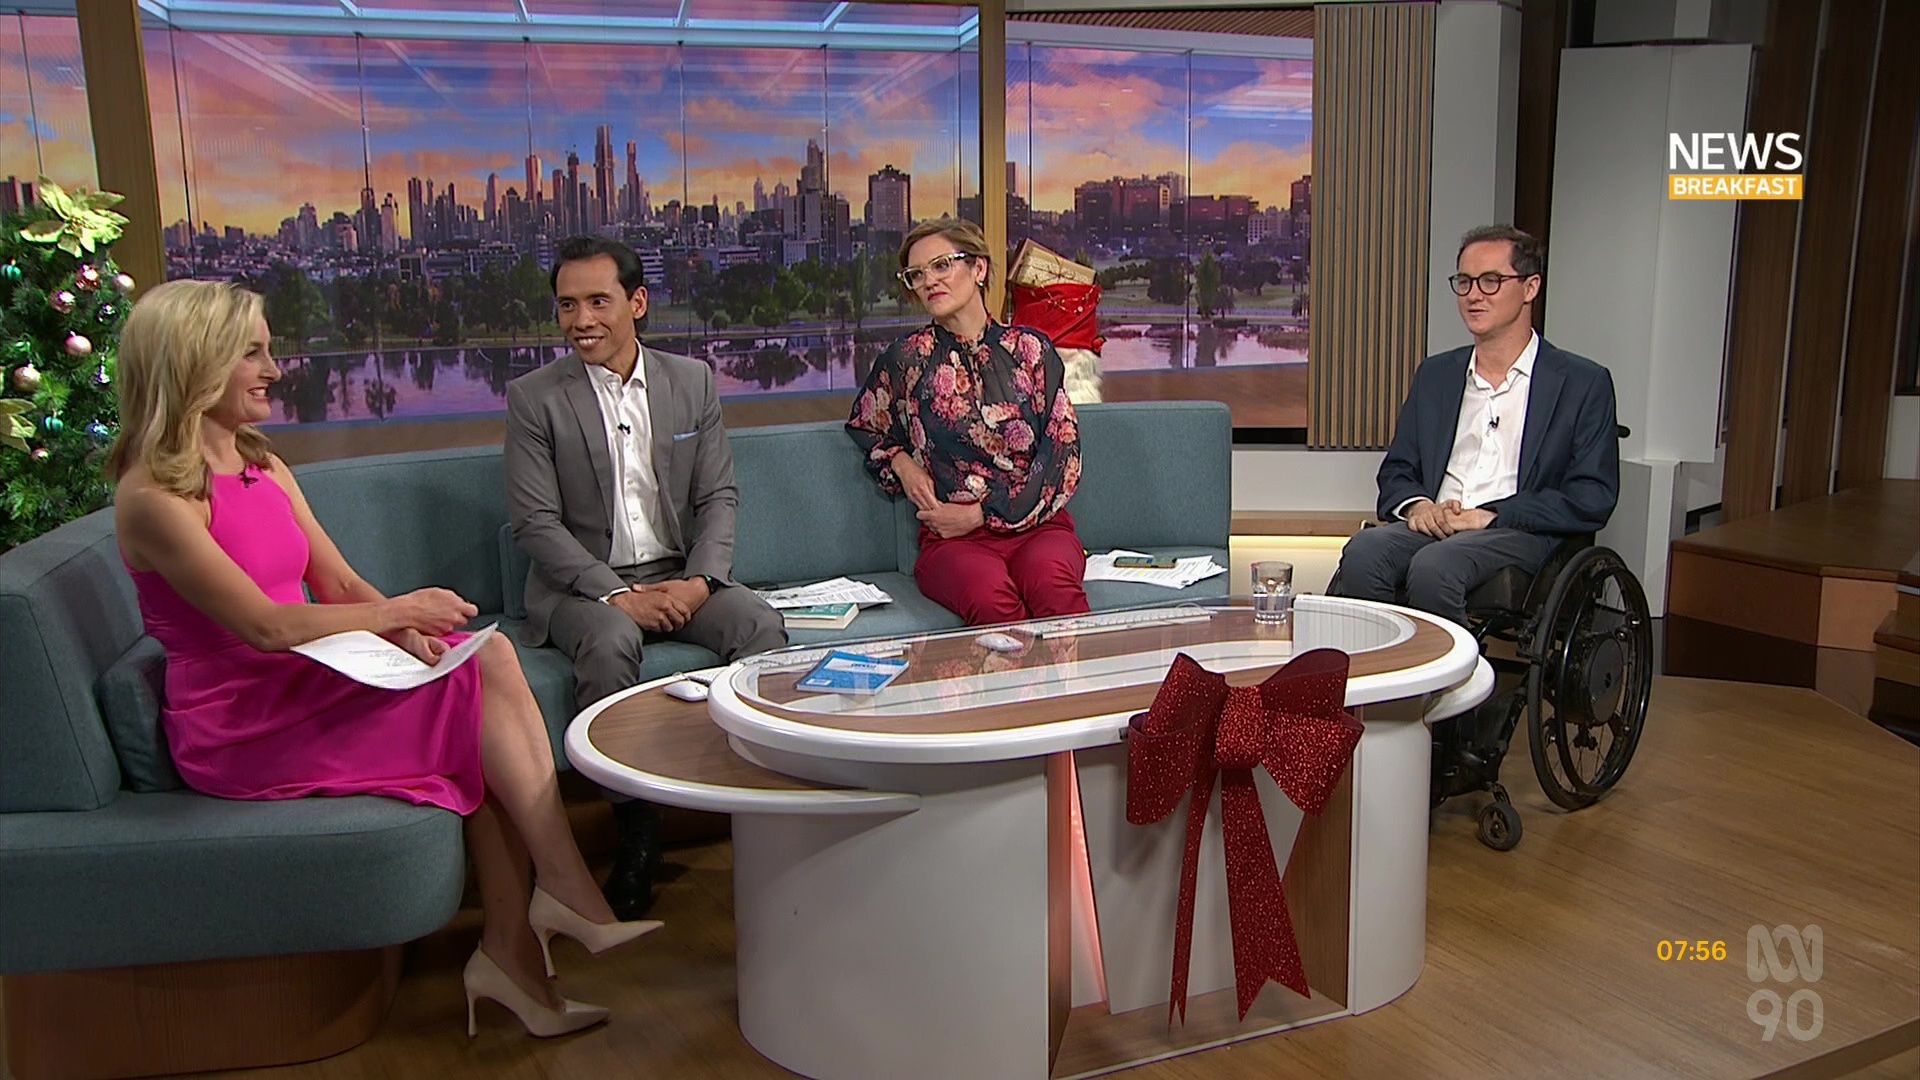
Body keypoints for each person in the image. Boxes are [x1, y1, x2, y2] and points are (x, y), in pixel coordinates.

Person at [109, 280, 659, 1041]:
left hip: (311, 678)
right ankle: (548, 910)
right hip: (241, 721)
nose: (274, 369)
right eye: (252, 354)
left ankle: (523, 947)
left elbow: (336, 582)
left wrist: (408, 639)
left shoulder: (262, 464)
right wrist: (396, 614)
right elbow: (264, 626)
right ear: (193, 364)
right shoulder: (153, 497)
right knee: (478, 700)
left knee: (482, 664)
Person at [504, 236, 784, 919]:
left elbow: (718, 497)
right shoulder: (534, 398)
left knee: (757, 624)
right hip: (581, 587)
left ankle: (762, 809)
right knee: (610, 642)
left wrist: (700, 582)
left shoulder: (691, 381)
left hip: (678, 571)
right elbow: (536, 524)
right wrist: (616, 594)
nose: (581, 321)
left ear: (637, 303)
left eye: (598, 302)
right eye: (567, 305)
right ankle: (637, 831)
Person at [1329, 224, 1619, 625]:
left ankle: (1451, 668)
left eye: (1491, 281)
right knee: (1365, 551)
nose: (1473, 295)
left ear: (1530, 287)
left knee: (1435, 566)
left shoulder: (1582, 382)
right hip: (1437, 525)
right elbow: (1397, 469)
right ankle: (1386, 661)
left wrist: (1493, 515)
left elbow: (1592, 495)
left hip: (1518, 531)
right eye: (1464, 282)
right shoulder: (1436, 375)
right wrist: (1418, 505)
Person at [846, 220, 1089, 626]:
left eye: (942, 265)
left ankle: (1089, 673)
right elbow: (865, 426)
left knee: (1053, 589)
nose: (929, 281)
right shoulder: (905, 359)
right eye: (916, 274)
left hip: (1038, 526)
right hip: (952, 540)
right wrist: (902, 464)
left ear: (978, 268)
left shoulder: (1030, 351)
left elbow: (1062, 454)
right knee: (990, 599)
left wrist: (983, 513)